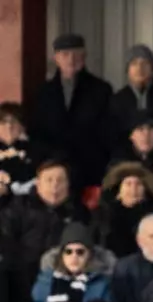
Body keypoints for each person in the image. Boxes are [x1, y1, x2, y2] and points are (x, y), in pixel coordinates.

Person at [29, 35, 113, 188]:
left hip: (91, 169)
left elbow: (107, 131)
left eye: (76, 54)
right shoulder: (44, 92)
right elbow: (37, 132)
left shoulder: (101, 90)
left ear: (84, 56)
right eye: (65, 54)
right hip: (53, 170)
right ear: (56, 58)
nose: (71, 59)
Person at [1, 160, 90, 296]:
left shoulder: (79, 213)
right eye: (49, 180)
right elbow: (6, 241)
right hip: (17, 280)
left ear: (68, 185)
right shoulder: (18, 207)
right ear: (38, 184)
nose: (55, 185)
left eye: (60, 180)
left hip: (60, 282)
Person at [96, 161, 153, 257]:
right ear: (118, 192)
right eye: (128, 184)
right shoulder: (104, 215)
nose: (133, 189)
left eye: (138, 184)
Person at [110, 111, 153, 193]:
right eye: (140, 129)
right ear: (131, 136)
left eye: (151, 129)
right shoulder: (118, 162)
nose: (146, 134)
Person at [0, 102, 38, 199]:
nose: (9, 126)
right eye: (3, 122)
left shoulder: (37, 150)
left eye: (14, 121)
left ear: (22, 126)